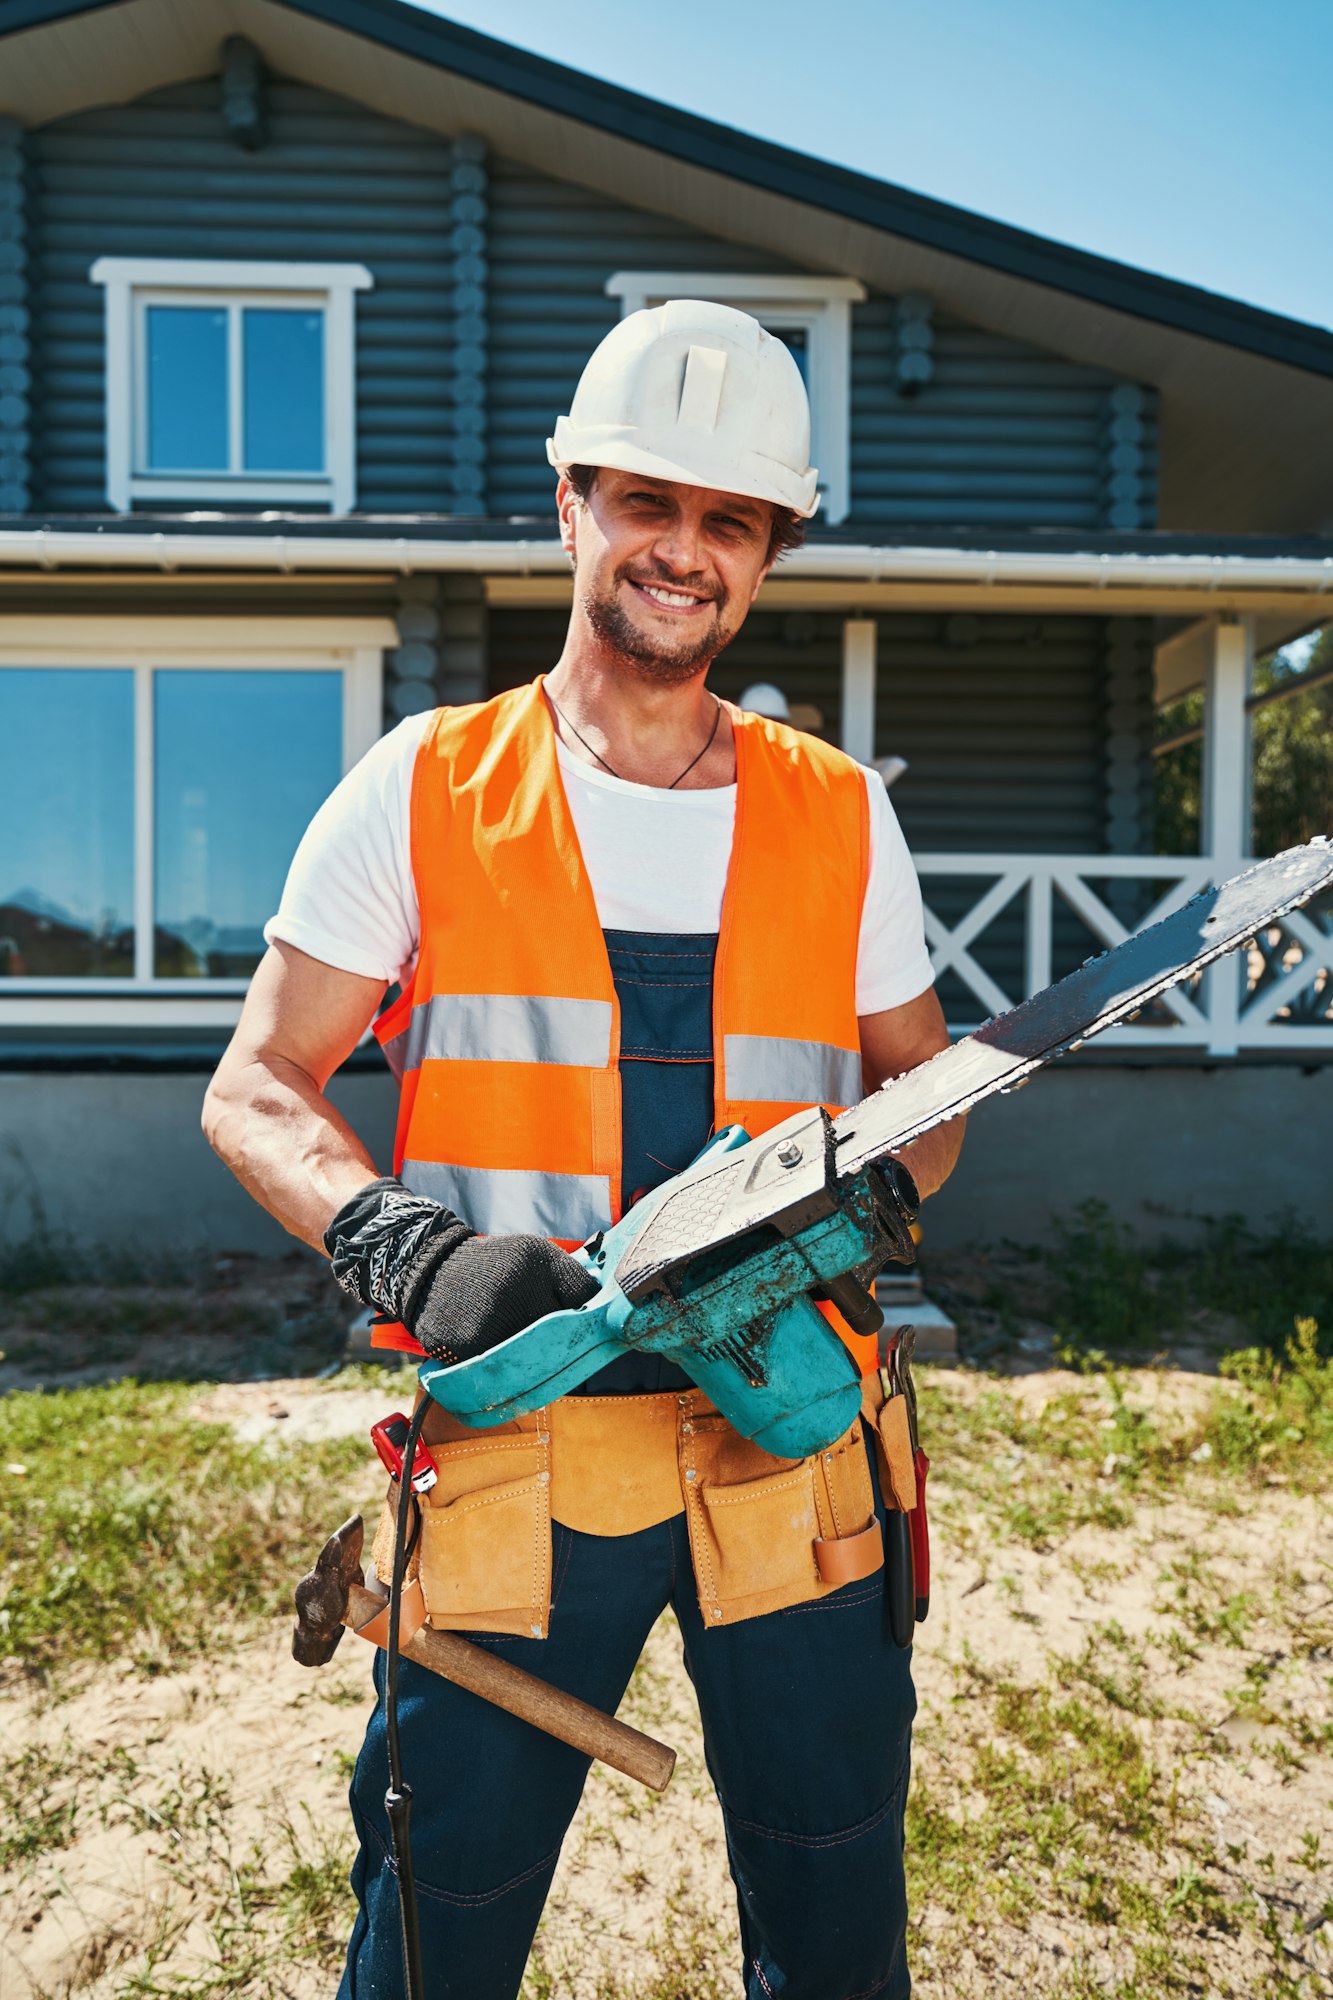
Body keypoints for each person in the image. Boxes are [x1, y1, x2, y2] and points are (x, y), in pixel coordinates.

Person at [203, 298, 964, 2000]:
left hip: (791, 1436)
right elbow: (257, 1084)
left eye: (728, 520)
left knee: (838, 1923)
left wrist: (870, 1197)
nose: (682, 551)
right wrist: (410, 1251)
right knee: (437, 1927)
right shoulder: (421, 786)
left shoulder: (841, 810)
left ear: (765, 551)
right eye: (647, 503)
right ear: (573, 507)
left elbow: (931, 1085)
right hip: (520, 1456)